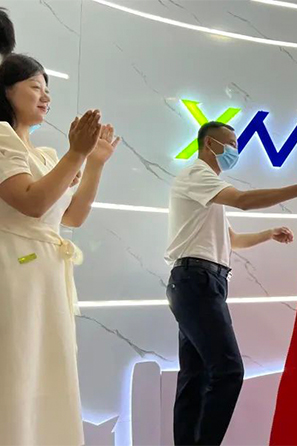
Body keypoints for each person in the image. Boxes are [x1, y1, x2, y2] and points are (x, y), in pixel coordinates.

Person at [164, 121, 297, 445]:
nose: (234, 150)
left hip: (198, 282)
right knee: (228, 371)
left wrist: (268, 233)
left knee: (195, 377)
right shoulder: (197, 175)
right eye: (230, 143)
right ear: (209, 144)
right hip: (196, 281)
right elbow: (242, 200)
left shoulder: (207, 192)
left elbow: (233, 240)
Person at [0, 7, 119, 444]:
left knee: (50, 374)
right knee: (16, 373)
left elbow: (72, 217)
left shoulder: (48, 155)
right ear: (6, 91)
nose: (45, 97)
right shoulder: (2, 137)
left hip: (48, 277)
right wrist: (76, 154)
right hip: (13, 270)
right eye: (35, 87)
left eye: (48, 89)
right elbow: (31, 202)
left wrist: (94, 162)